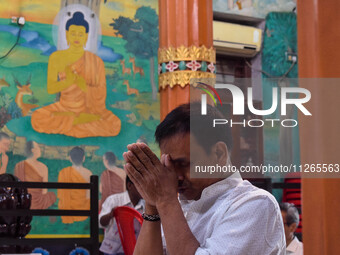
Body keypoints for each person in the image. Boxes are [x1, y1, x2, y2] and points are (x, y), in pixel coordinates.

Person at [123, 103, 286, 255]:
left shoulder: (255, 204)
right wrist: (152, 205)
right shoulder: (177, 205)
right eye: (169, 166)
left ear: (219, 154)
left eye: (183, 164)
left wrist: (165, 200)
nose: (175, 177)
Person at [31, 11, 121, 138]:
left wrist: (83, 85)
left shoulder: (96, 61)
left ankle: (73, 122)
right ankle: (79, 121)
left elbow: (101, 94)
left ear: (86, 36)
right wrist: (68, 82)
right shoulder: (56, 57)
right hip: (64, 107)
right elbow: (51, 88)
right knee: (37, 118)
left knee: (115, 124)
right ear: (66, 34)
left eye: (80, 34)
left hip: (90, 110)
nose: (76, 37)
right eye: (73, 33)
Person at [99, 176, 144, 255]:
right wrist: (111, 214)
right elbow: (101, 223)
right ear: (129, 185)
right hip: (112, 250)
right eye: (140, 185)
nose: (144, 188)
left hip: (135, 250)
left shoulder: (146, 205)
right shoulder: (114, 200)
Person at [14, 141, 56, 209]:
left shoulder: (19, 166)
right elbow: (44, 191)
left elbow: (17, 190)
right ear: (33, 150)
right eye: (38, 147)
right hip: (38, 201)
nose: (40, 149)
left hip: (23, 200)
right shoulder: (43, 167)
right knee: (52, 196)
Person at [58, 146, 92, 223]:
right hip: (83, 208)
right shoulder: (88, 173)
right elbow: (89, 195)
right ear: (83, 158)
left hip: (67, 207)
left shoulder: (63, 172)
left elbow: (61, 194)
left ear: (70, 158)